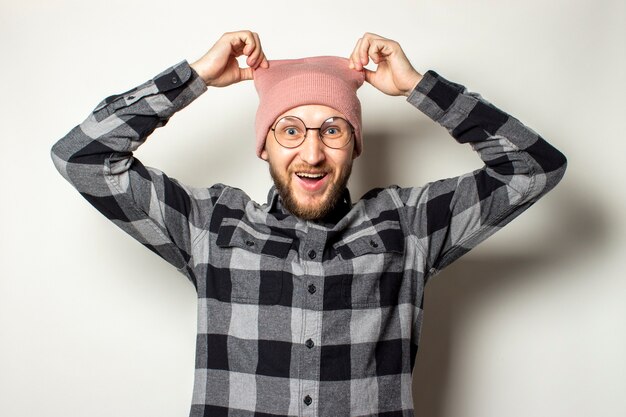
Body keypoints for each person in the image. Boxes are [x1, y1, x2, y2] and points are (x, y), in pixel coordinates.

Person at [51, 30, 567, 417]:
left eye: (333, 129)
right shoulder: (211, 226)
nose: (313, 153)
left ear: (355, 142)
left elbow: (534, 167)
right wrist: (196, 77)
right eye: (291, 130)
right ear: (266, 145)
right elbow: (82, 157)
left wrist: (417, 86)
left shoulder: (408, 227)